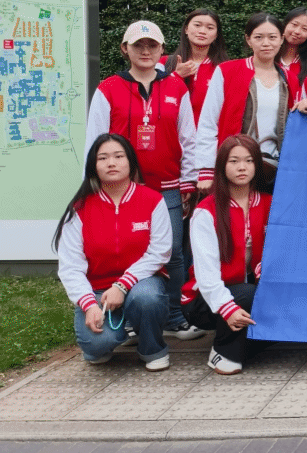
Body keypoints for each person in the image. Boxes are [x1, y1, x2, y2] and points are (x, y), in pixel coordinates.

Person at [86, 20, 201, 340]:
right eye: (139, 45)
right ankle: (133, 317)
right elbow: (94, 140)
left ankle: (173, 316)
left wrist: (188, 180)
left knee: (173, 252)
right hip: (122, 189)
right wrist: (93, 184)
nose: (146, 50)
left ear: (162, 49)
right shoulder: (109, 88)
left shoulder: (176, 87)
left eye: (152, 45)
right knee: (129, 251)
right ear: (125, 49)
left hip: (167, 186)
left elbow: (188, 137)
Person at [55, 134, 172, 371]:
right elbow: (71, 267)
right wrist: (89, 305)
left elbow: (160, 252)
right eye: (103, 158)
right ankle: (118, 330)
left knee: (147, 299)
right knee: (96, 346)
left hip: (141, 283)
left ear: (130, 162)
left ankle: (152, 348)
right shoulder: (80, 208)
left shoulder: (152, 200)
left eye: (119, 156)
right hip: (98, 290)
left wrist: (122, 285)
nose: (111, 163)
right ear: (93, 166)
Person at [182, 135, 272, 375]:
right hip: (204, 299)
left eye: (249, 161)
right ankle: (223, 351)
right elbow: (206, 275)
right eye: (234, 161)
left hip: (249, 288)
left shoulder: (268, 203)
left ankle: (244, 340)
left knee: (267, 301)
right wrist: (227, 308)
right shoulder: (206, 211)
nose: (242, 167)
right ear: (222, 166)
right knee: (249, 294)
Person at [194, 12, 288, 193]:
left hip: (274, 170)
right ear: (248, 39)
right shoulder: (227, 71)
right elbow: (208, 122)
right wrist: (206, 169)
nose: (266, 43)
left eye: (272, 37)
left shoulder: (288, 79)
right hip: (235, 166)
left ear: (282, 39)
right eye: (258, 37)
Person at [162, 8, 228, 122]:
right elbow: (151, 100)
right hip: (170, 131)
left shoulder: (225, 68)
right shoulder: (163, 63)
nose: (202, 31)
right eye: (197, 25)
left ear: (216, 35)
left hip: (208, 132)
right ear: (186, 29)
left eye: (210, 28)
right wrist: (175, 76)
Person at [277, 8, 307, 103]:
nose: (297, 31)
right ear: (285, 24)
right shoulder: (268, 58)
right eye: (294, 25)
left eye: (304, 29)